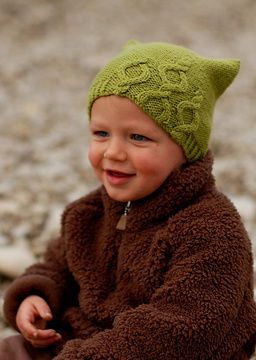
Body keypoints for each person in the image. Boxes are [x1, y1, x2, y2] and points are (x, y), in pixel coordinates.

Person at [1, 40, 256, 360]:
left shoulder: (210, 228)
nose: (113, 152)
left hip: (168, 352)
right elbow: (57, 266)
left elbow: (184, 329)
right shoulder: (88, 213)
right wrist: (36, 296)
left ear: (185, 149)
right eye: (101, 133)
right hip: (86, 344)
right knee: (10, 350)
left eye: (138, 137)